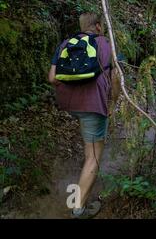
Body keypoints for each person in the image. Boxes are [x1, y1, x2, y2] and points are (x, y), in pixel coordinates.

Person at [48, 12, 120, 219]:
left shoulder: (65, 44)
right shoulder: (106, 44)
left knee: (89, 142)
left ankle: (78, 192)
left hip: (70, 105)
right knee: (94, 156)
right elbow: (115, 79)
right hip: (93, 106)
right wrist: (112, 103)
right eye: (102, 26)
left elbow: (52, 78)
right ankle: (78, 209)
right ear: (98, 26)